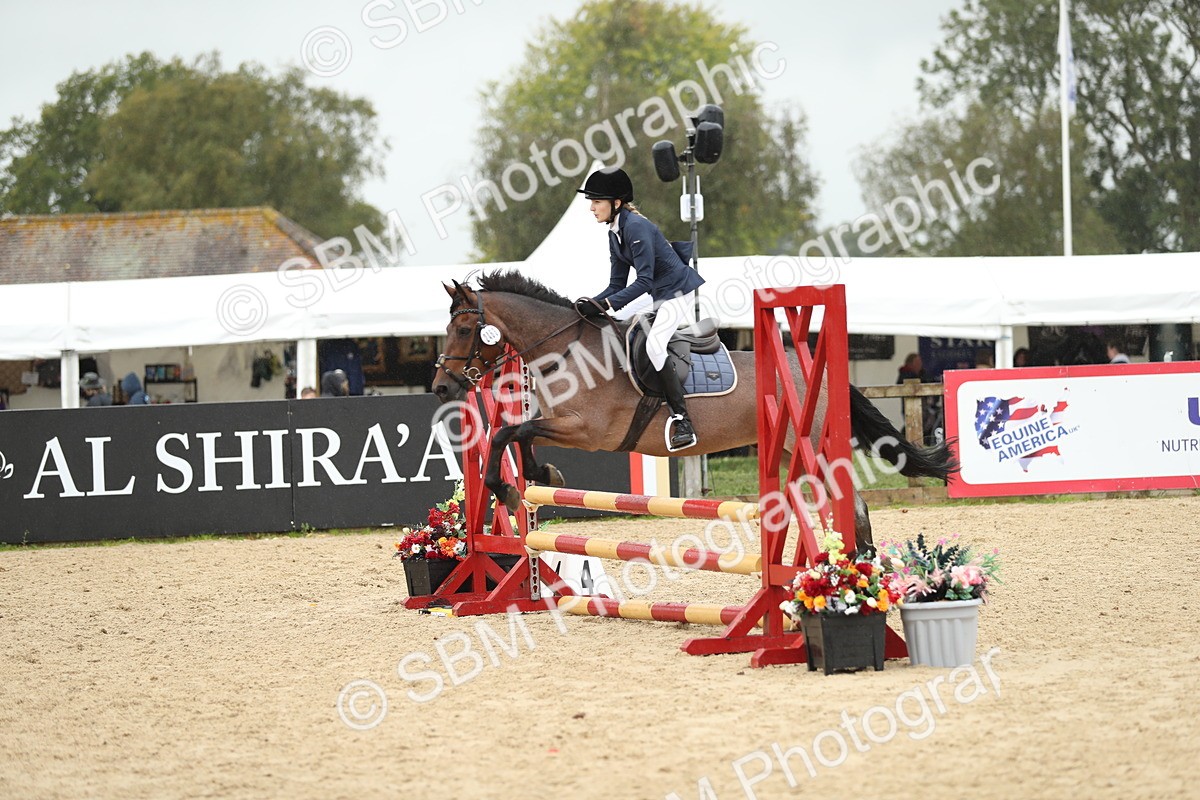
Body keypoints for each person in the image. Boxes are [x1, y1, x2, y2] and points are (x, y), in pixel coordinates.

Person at [575, 166, 704, 452]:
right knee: (610, 321)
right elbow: (616, 283)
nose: (592, 208)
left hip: (676, 291)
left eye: (597, 202)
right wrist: (592, 304)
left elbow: (644, 280)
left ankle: (682, 418)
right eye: (592, 202)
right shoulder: (615, 231)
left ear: (616, 203)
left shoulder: (636, 227)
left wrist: (608, 304)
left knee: (656, 345)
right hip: (656, 292)